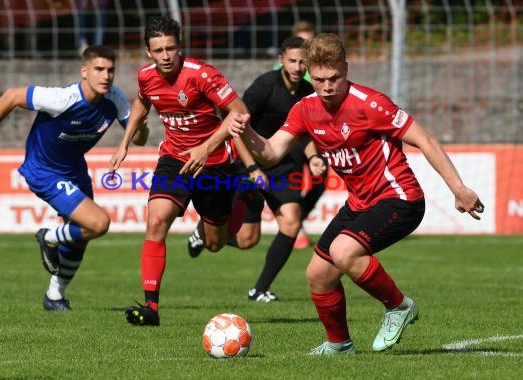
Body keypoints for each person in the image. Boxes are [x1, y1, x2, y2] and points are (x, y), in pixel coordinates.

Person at [226, 33, 485, 354]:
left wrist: (458, 189)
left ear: (346, 69)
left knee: (344, 252)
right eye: (319, 79)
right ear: (309, 72)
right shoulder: (305, 109)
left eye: (335, 78)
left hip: (399, 198)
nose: (327, 86)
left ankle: (399, 307)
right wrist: (247, 132)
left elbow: (426, 140)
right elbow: (271, 152)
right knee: (318, 275)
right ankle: (340, 345)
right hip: (360, 203)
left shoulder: (371, 104)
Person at [108, 14, 257, 327]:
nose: (165, 56)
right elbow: (141, 103)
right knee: (156, 220)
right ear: (149, 52)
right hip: (174, 159)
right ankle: (151, 308)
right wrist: (124, 142)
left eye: (170, 48)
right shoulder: (146, 76)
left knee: (215, 244)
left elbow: (240, 113)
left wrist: (206, 147)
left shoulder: (203, 75)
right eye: (158, 50)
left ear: (180, 46)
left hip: (215, 163)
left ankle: (245, 199)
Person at [0, 45, 132, 311]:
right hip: (44, 170)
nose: (106, 76)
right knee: (99, 222)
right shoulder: (61, 99)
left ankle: (54, 296)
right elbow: (12, 96)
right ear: (84, 72)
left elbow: (137, 136)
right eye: (99, 69)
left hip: (74, 169)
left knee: (82, 236)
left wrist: (140, 125)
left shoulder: (115, 99)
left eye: (111, 70)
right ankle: (49, 237)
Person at [187, 36, 321, 303]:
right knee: (245, 239)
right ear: (281, 59)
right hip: (248, 164)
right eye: (293, 60)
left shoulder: (308, 94)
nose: (297, 67)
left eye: (303, 62)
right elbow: (235, 126)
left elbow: (305, 135)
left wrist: (314, 157)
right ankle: (203, 232)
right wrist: (251, 167)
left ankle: (259, 289)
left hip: (284, 166)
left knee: (290, 224)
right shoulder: (263, 87)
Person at [274, 20, 323, 249]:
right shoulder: (284, 72)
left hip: (314, 135)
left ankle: (297, 220)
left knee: (320, 181)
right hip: (291, 137)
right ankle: (293, 224)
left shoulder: (320, 69)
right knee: (294, 181)